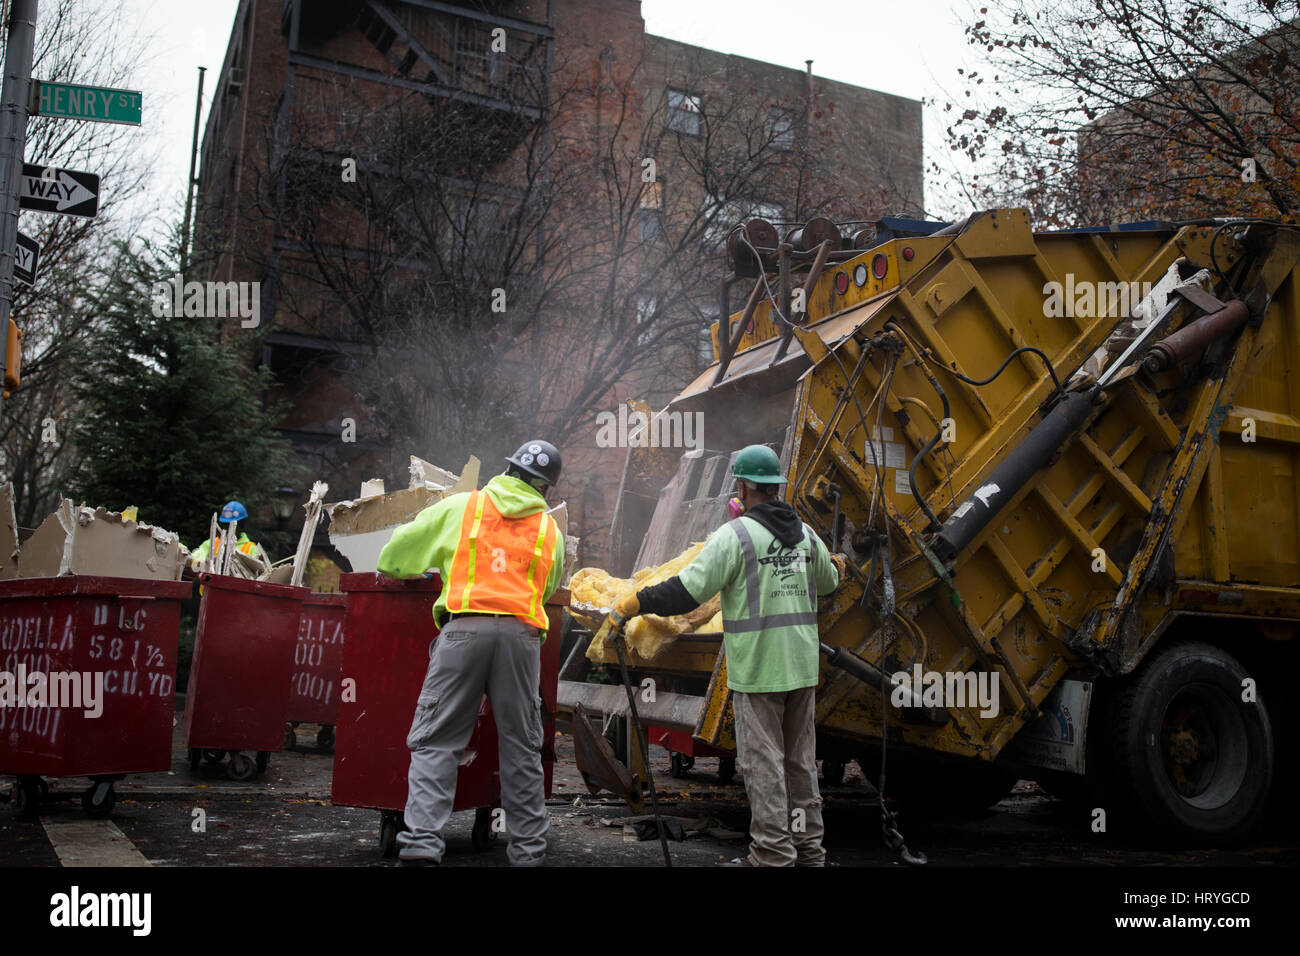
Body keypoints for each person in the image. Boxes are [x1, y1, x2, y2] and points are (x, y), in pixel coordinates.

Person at [600, 444, 841, 867]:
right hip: (802, 669)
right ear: (776, 487)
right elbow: (829, 583)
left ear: (744, 487)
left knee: (763, 765)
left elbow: (686, 592)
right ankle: (808, 851)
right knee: (800, 765)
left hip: (760, 669)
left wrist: (634, 602)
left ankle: (772, 855)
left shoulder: (736, 535)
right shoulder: (805, 534)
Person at [377, 440, 565, 867]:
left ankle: (422, 849)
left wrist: (429, 568)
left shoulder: (464, 507)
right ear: (546, 488)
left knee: (437, 742)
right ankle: (528, 855)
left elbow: (394, 557)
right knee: (522, 748)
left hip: (463, 632)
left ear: (508, 469)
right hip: (521, 639)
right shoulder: (549, 528)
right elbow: (548, 586)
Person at [189, 500, 267, 571]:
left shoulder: (251, 549)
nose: (227, 528)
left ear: (241, 525)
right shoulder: (211, 543)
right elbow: (194, 562)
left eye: (231, 525)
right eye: (225, 524)